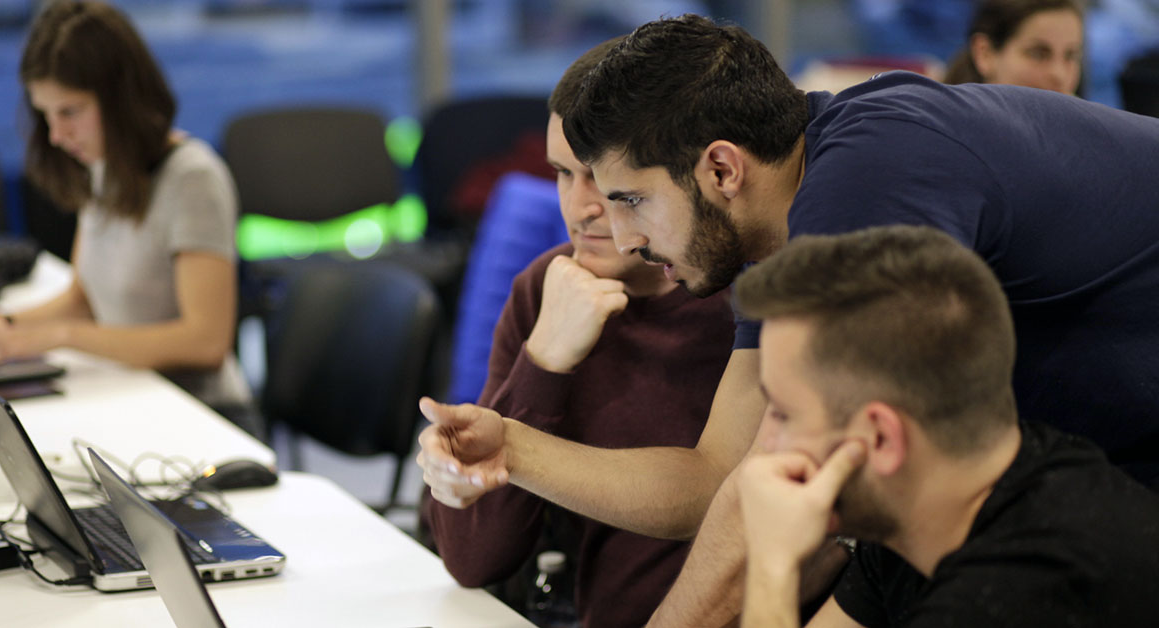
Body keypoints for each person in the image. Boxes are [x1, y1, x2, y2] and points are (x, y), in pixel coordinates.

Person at [422, 13, 1159, 624]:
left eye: (630, 199)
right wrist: (516, 448)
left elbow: (759, 486)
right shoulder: (807, 209)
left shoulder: (867, 184)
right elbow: (718, 474)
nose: (622, 239)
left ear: (720, 170)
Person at [420, 37, 735, 628]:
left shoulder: (744, 299)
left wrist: (512, 443)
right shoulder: (547, 287)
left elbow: (714, 504)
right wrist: (543, 361)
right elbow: (472, 559)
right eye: (563, 174)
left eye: (601, 177)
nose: (582, 207)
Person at [733, 224, 1159, 627]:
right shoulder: (942, 508)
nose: (767, 445)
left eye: (783, 413)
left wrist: (773, 568)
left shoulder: (1015, 599)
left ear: (880, 439)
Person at [0, 1, 252, 424]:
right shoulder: (102, 168)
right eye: (46, 116)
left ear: (121, 98)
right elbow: (84, 300)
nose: (57, 135)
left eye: (69, 112)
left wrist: (60, 337)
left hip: (205, 414)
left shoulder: (193, 178)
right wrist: (0, 326)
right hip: (135, 395)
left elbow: (205, 343)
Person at [943, 0, 1084, 95]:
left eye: (1071, 56)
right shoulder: (937, 132)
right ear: (984, 53)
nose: (1058, 75)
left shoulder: (1085, 134)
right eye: (1038, 54)